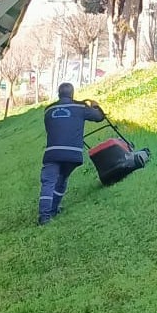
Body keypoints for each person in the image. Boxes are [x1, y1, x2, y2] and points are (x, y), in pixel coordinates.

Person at [39, 81, 105, 224]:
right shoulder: (81, 107)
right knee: (62, 179)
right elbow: (100, 117)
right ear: (72, 94)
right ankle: (54, 209)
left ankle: (45, 217)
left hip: (52, 152)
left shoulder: (48, 110)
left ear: (58, 94)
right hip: (73, 153)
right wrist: (95, 106)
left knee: (48, 183)